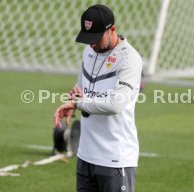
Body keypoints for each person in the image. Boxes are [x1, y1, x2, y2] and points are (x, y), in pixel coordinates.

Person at [53, 4, 142, 192]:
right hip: (85, 156)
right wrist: (74, 99)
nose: (92, 44)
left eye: (96, 38)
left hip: (115, 159)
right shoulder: (89, 51)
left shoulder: (129, 59)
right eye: (88, 38)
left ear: (113, 30)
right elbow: (81, 87)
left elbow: (115, 105)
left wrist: (78, 103)